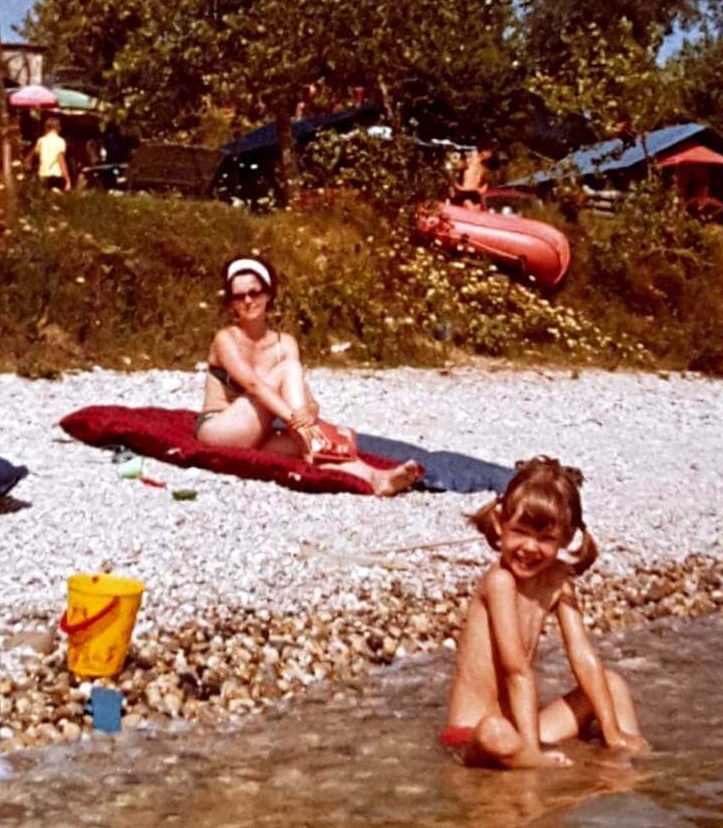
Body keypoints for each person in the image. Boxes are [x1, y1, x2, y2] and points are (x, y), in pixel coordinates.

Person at [442, 456, 647, 768]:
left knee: (612, 683)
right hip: (473, 734)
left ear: (566, 538)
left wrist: (612, 731)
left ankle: (624, 760)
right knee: (495, 732)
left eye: (546, 538)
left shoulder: (558, 580)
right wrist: (531, 750)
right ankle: (529, 760)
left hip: (522, 729)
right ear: (500, 522)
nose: (530, 547)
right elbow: (517, 670)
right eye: (520, 531)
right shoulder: (500, 582)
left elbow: (583, 657)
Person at [195, 256, 421, 497]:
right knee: (290, 371)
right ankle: (309, 442)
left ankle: (375, 477)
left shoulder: (285, 343)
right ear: (231, 302)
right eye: (239, 296)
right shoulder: (225, 338)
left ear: (268, 294)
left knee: (316, 443)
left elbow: (306, 397)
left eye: (254, 292)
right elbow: (253, 386)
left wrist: (309, 413)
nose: (248, 301)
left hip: (258, 434)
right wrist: (298, 422)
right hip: (220, 428)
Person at [25, 115, 71, 192]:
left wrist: (28, 166)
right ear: (58, 127)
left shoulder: (41, 141)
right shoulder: (60, 141)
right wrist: (67, 179)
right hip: (55, 176)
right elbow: (60, 159)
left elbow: (32, 155)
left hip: (43, 175)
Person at [454, 145, 494, 210]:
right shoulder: (470, 160)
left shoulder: (483, 166)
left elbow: (485, 181)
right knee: (470, 210)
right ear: (483, 151)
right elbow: (456, 169)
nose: (490, 155)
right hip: (466, 192)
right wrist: (458, 186)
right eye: (489, 152)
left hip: (475, 193)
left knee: (477, 214)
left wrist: (483, 188)